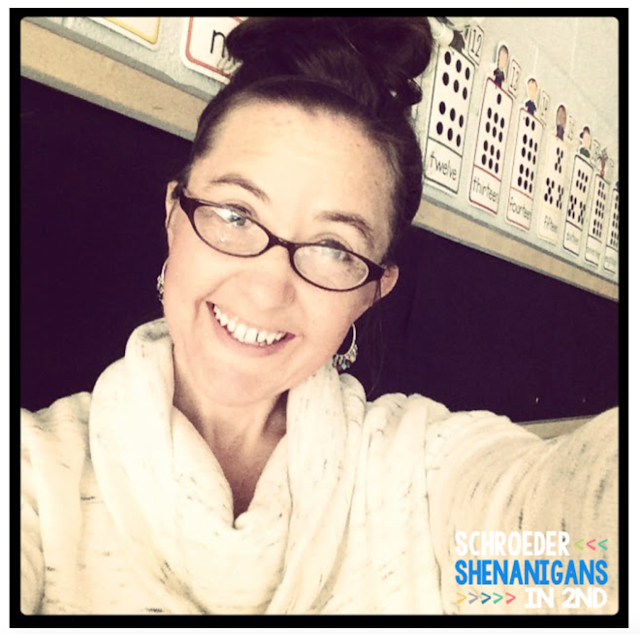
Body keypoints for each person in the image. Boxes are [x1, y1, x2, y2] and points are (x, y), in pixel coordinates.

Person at [21, 17, 618, 616]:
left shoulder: (420, 479)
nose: (266, 290)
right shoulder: (37, 481)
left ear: (372, 292)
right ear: (176, 216)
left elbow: (582, 566)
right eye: (235, 214)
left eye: (333, 248)